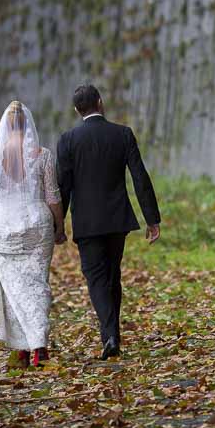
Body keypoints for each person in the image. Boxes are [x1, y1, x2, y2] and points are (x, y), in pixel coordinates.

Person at [0, 101, 67, 368]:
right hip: (37, 226)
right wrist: (60, 226)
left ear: (4, 125)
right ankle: (39, 348)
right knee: (36, 285)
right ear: (28, 123)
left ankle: (21, 351)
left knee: (12, 290)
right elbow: (52, 196)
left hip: (5, 226)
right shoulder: (43, 156)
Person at [56, 85, 161, 360]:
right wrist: (151, 218)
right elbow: (140, 176)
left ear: (77, 110)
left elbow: (62, 186)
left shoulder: (67, 140)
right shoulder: (122, 134)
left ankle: (110, 335)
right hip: (117, 220)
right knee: (113, 276)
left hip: (87, 223)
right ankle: (112, 335)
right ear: (100, 103)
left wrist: (58, 225)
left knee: (96, 279)